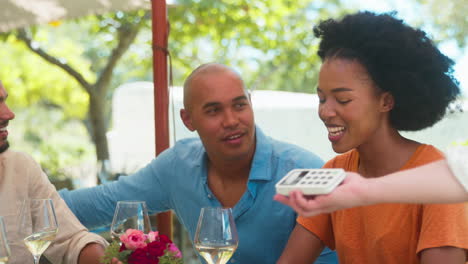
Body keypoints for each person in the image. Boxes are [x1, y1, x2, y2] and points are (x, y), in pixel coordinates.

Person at [59, 63, 338, 264]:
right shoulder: (179, 166)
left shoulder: (304, 172)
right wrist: (30, 200)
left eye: (239, 105)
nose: (231, 120)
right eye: (214, 110)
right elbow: (101, 203)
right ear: (188, 120)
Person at [277, 11, 468, 264]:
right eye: (322, 98)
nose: (325, 111)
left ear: (386, 101)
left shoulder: (439, 185)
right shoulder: (336, 173)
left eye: (343, 100)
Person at [0, 81, 108, 264]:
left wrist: (105, 260)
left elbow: (71, 240)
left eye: (4, 101)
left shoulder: (20, 167)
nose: (9, 114)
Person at [275, 148, 468, 217]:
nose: (324, 112)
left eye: (343, 99)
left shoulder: (429, 160)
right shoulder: (340, 165)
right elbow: (461, 171)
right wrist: (363, 190)